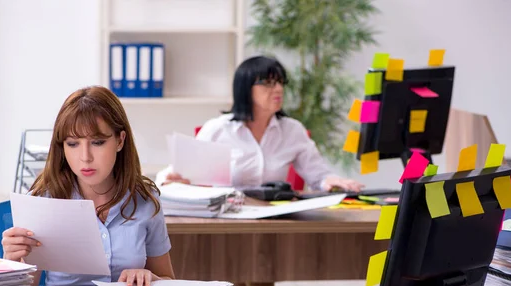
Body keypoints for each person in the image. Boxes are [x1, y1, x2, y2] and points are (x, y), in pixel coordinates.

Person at [2, 86, 175, 286]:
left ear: (120, 141)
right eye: (72, 144)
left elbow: (170, 283)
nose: (85, 157)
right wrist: (12, 263)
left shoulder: (145, 202)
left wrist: (152, 279)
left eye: (97, 142)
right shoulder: (43, 201)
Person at [156, 55, 364, 192]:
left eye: (280, 83)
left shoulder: (292, 130)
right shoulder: (218, 129)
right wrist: (169, 180)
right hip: (225, 219)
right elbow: (175, 173)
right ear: (245, 88)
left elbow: (319, 176)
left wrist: (334, 182)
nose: (278, 89)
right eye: (268, 84)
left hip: (276, 218)